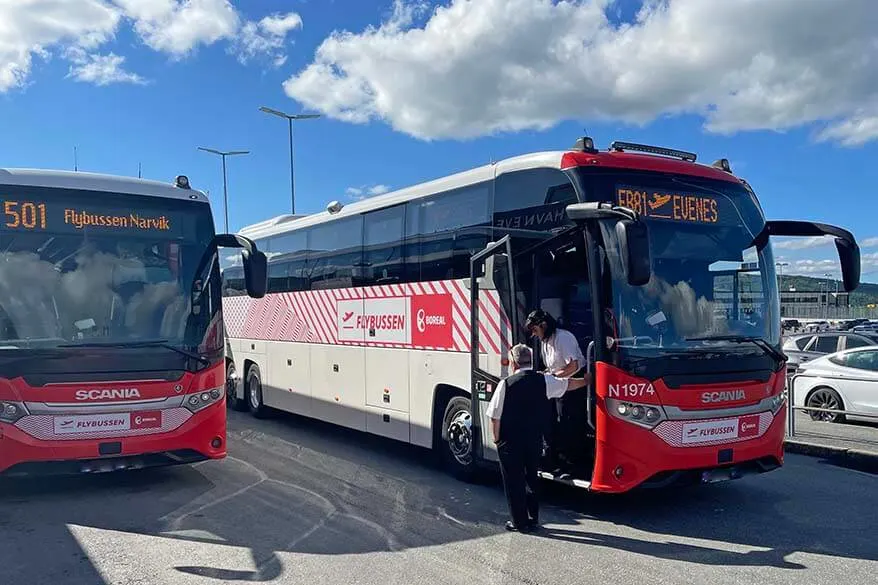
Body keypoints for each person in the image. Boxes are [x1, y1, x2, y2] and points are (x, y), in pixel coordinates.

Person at [485, 343, 587, 533]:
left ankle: (519, 522)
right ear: (531, 361)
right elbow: (568, 385)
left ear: (514, 362)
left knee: (513, 481)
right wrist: (587, 381)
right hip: (533, 439)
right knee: (531, 477)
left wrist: (497, 439)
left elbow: (495, 416)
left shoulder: (506, 384)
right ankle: (533, 518)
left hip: (510, 441)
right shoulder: (544, 381)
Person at [524, 309, 587, 478]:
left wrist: (551, 377)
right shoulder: (545, 341)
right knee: (554, 423)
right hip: (558, 384)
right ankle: (557, 461)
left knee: (569, 424)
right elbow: (552, 366)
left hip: (574, 383)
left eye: (536, 330)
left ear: (543, 325)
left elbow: (572, 366)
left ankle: (572, 466)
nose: (535, 335)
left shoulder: (563, 338)